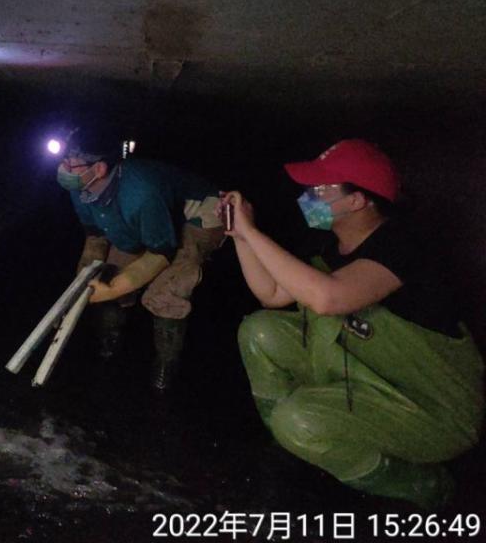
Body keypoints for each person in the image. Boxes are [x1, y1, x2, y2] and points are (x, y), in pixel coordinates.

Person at [223, 139, 484, 509]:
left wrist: (253, 233)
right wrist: (240, 238)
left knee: (298, 419)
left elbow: (328, 298)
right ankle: (298, 439)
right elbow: (272, 294)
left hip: (428, 408)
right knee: (258, 330)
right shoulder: (327, 243)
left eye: (320, 189)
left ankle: (421, 484)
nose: (308, 195)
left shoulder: (401, 244)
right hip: (358, 373)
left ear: (358, 200)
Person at [55, 126, 225, 391]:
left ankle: (165, 368)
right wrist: (84, 283)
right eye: (63, 160)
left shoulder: (141, 192)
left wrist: (111, 290)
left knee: (168, 287)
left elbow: (161, 251)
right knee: (110, 272)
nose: (64, 168)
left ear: (99, 168)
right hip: (145, 211)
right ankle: (107, 345)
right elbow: (96, 236)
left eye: (71, 163)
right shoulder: (80, 187)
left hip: (198, 213)